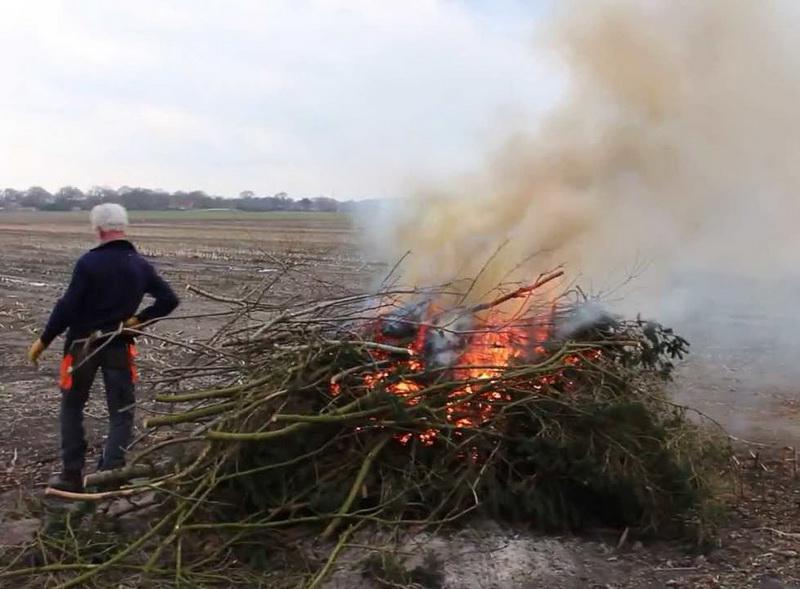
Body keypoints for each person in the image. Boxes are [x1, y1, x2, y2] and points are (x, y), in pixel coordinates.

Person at [27, 203, 179, 493]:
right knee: (121, 411)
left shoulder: (88, 263)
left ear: (97, 229)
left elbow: (68, 307)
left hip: (82, 345)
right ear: (123, 227)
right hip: (119, 345)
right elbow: (169, 300)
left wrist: (44, 339)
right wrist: (139, 320)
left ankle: (71, 475)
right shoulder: (140, 264)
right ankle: (110, 473)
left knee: (72, 406)